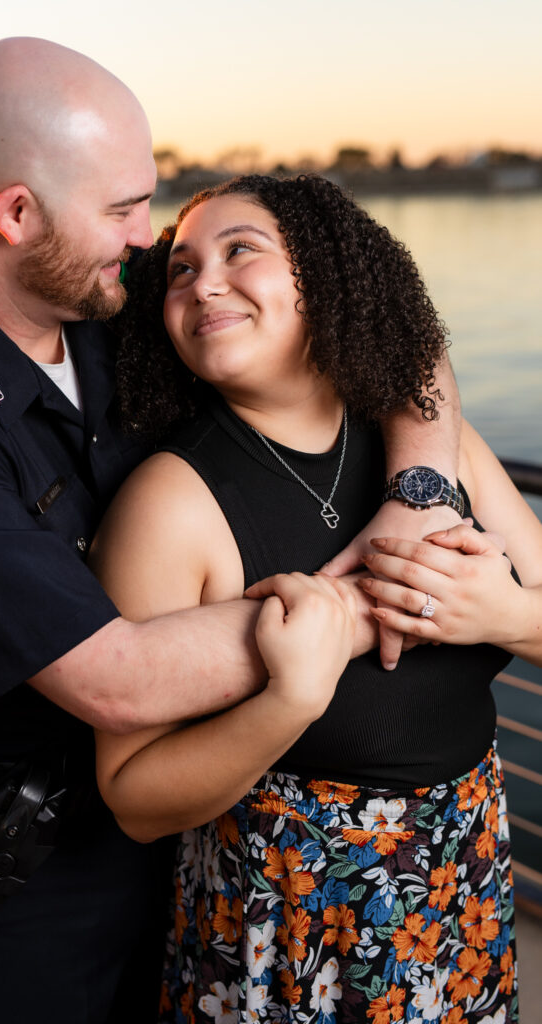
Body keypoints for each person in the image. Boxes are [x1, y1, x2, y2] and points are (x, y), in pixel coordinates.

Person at [0, 37, 464, 1024]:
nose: (150, 236)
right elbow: (116, 676)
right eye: (124, 208)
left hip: (202, 813)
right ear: (18, 214)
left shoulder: (103, 278)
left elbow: (395, 325)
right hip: (22, 869)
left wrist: (419, 495)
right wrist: (394, 596)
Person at [92, 173, 542, 1021]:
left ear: (323, 278)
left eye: (240, 251)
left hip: (466, 890)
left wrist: (506, 615)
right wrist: (288, 701)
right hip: (291, 931)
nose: (203, 282)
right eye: (180, 269)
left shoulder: (436, 447)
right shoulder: (168, 503)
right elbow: (133, 799)